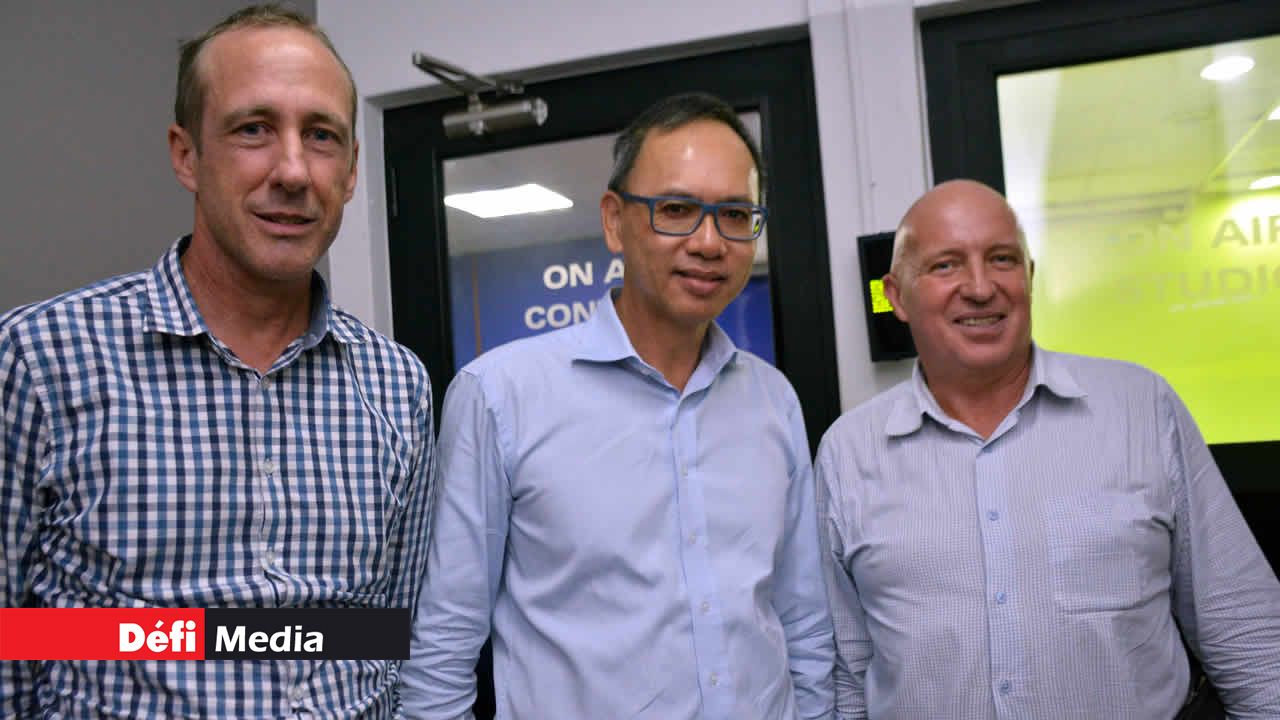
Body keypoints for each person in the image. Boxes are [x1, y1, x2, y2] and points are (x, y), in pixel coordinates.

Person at [0, 5, 435, 717]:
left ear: (353, 169)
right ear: (186, 155)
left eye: (321, 135)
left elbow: (386, 636)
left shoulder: (396, 386)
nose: (293, 170)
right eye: (253, 129)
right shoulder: (40, 360)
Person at [400, 92, 834, 720]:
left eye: (736, 214)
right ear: (614, 221)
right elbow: (441, 647)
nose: (710, 242)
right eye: (677, 209)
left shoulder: (773, 401)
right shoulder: (502, 397)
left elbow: (805, 626)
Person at [816, 178, 1280, 719]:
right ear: (897, 296)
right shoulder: (848, 453)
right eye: (945, 265)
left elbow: (1247, 631)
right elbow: (846, 675)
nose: (981, 286)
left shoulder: (1141, 410)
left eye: (1003, 259)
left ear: (1029, 277)